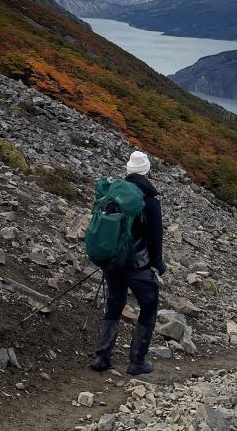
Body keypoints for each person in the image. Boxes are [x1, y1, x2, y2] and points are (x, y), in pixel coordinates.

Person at [91, 151, 166, 375]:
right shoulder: (150, 202)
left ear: (128, 171)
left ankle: (102, 357)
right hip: (137, 265)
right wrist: (159, 264)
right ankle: (137, 361)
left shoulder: (115, 195)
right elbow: (155, 238)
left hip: (113, 261)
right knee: (149, 304)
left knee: (114, 303)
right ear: (146, 171)